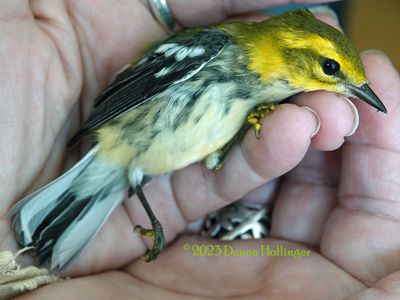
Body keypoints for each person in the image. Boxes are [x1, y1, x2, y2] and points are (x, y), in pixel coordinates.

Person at [1, 0, 399, 298]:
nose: (345, 85)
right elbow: (142, 85)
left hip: (160, 165)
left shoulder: (268, 98)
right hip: (125, 142)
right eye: (332, 70)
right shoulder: (215, 47)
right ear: (291, 50)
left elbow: (220, 149)